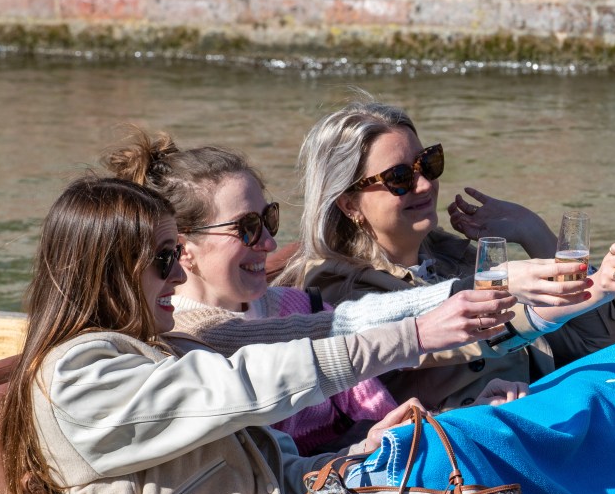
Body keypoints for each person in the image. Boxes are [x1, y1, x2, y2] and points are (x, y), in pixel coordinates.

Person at [0, 175, 517, 494]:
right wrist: (413, 335)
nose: (179, 275)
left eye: (175, 256)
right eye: (163, 259)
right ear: (107, 269)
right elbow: (245, 384)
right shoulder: (78, 377)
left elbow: (271, 477)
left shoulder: (155, 349)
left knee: (505, 428)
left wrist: (357, 454)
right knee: (502, 453)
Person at [101, 128, 587, 454]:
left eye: (268, 219)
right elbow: (346, 337)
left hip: (345, 487)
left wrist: (453, 416)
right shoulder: (190, 341)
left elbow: (364, 383)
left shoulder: (296, 305)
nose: (270, 243)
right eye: (248, 228)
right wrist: (472, 298)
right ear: (184, 250)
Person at [276, 97, 615, 411]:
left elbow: (598, 347)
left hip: (547, 417)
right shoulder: (333, 288)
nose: (424, 185)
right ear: (348, 203)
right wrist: (593, 287)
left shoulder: (455, 257)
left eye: (427, 164)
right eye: (399, 179)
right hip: (465, 464)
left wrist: (533, 231)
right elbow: (430, 344)